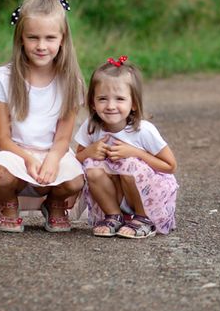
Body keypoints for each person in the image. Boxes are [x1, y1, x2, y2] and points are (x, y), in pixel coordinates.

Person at [0, 0, 86, 233]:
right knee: (2, 174)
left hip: (52, 150)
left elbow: (63, 137)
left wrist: (52, 160)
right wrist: (29, 159)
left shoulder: (70, 81)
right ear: (21, 37)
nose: (41, 46)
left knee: (76, 180)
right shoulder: (4, 78)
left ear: (62, 39)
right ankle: (8, 202)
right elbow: (2, 139)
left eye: (50, 38)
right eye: (33, 37)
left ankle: (54, 203)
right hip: (14, 152)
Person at [75, 56, 179, 238]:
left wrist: (136, 152)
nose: (110, 106)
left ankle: (143, 219)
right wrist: (89, 152)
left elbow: (170, 166)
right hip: (116, 193)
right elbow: (76, 161)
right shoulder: (92, 126)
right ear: (92, 102)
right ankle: (113, 215)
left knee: (130, 163)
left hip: (149, 194)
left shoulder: (143, 130)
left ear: (134, 104)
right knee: (91, 166)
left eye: (120, 99)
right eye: (102, 99)